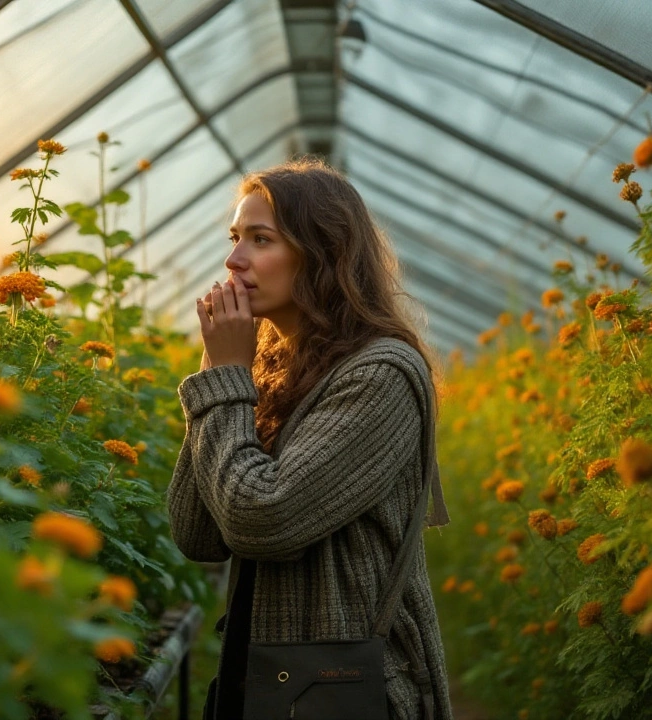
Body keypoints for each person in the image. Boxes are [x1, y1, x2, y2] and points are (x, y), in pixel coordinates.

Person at [167, 157, 454, 719]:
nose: (234, 260)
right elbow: (198, 533)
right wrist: (218, 372)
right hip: (269, 685)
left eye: (260, 239)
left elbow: (262, 518)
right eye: (234, 238)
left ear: (321, 252)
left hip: (349, 693)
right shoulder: (271, 368)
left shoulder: (382, 374)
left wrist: (225, 381)